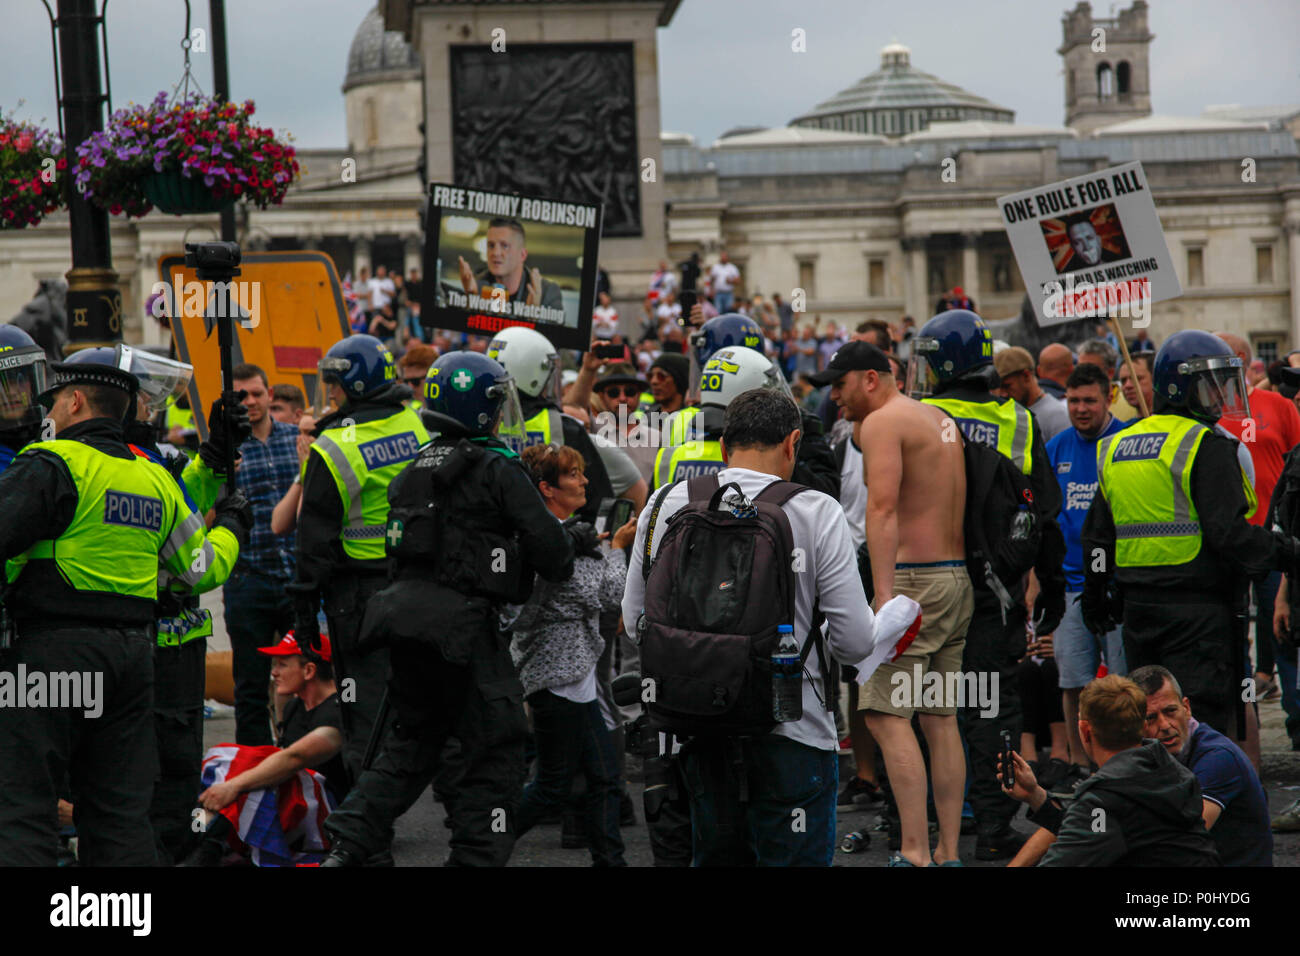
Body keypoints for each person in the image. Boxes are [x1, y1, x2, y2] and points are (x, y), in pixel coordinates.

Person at [622, 387, 920, 866]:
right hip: (793, 728)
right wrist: (894, 617)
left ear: (724, 447)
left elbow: (637, 623)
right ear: (792, 443)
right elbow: (852, 643)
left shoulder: (663, 504)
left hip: (698, 724)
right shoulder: (818, 510)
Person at [321, 351, 576, 866]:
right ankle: (474, 856)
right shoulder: (497, 468)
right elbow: (555, 557)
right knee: (495, 754)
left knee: (411, 744)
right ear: (481, 409)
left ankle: (346, 842)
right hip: (466, 633)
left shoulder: (414, 466)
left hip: (408, 629)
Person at [0, 356, 248, 865]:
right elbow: (198, 569)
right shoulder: (153, 479)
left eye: (55, 403)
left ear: (74, 401)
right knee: (119, 812)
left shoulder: (52, 462)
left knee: (25, 804)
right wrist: (233, 528)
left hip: (49, 656)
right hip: (133, 661)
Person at [1083, 330, 1300, 742]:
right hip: (1200, 613)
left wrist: (1095, 595)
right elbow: (1230, 535)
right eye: (1210, 385)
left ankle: (1160, 801)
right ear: (1181, 387)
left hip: (1139, 612)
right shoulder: (1207, 444)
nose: (1220, 396)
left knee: (1149, 722)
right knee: (1200, 723)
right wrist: (1288, 552)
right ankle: (1210, 804)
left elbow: (1097, 539)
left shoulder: (1116, 446)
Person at [908, 309, 1067, 861]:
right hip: (993, 592)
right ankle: (994, 825)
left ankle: (917, 826)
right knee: (992, 710)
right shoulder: (1020, 422)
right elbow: (1045, 515)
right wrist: (1050, 588)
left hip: (925, 588)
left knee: (921, 706)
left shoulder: (914, 416)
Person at [825, 340, 972, 866]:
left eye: (840, 386)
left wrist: (884, 598)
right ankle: (948, 852)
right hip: (954, 579)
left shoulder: (887, 422)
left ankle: (913, 853)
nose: (836, 399)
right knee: (940, 718)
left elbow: (882, 511)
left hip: (916, 584)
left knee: (886, 717)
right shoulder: (937, 417)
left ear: (870, 378)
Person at [293, 334, 431, 788]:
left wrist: (304, 617)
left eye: (334, 385)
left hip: (359, 598)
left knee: (365, 718)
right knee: (426, 703)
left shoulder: (334, 447)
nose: (329, 394)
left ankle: (367, 837)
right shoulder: (419, 424)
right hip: (421, 586)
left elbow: (313, 541)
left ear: (352, 385)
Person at [506, 443, 637, 866]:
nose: (584, 481)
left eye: (582, 472)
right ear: (547, 488)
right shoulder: (550, 539)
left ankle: (610, 860)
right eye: (574, 475)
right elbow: (605, 594)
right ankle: (482, 844)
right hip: (556, 677)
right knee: (552, 786)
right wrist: (616, 548)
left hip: (574, 673)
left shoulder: (558, 531)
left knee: (603, 777)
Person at [1001, 675, 1219, 866]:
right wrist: (1036, 796)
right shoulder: (1172, 770)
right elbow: (1096, 832)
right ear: (1140, 724)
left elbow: (1075, 846)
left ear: (1085, 730)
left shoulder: (1105, 797)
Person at [182, 632, 347, 867]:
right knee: (228, 767)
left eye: (282, 665)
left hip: (331, 816)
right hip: (300, 802)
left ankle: (207, 845)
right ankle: (200, 840)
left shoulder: (338, 712)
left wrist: (234, 785)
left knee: (251, 772)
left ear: (309, 670)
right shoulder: (294, 707)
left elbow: (294, 759)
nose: (274, 673)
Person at [1044, 362, 1130, 792]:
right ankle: (1082, 767)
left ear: (1108, 397)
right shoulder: (1056, 447)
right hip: (1069, 586)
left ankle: (1128, 762)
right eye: (1073, 400)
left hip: (1116, 586)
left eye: (1089, 400)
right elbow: (1044, 518)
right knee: (1074, 682)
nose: (1080, 408)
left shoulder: (1129, 441)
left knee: (1121, 683)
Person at [1215, 332, 1300, 712]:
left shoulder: (1277, 406)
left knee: (1279, 624)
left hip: (1270, 537)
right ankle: (1243, 708)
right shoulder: (1203, 410)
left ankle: (1288, 709)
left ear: (1237, 359)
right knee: (1230, 632)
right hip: (1224, 537)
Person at [224, 363, 300, 746]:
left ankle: (302, 761)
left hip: (297, 579)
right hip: (248, 581)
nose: (250, 401)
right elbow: (206, 517)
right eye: (241, 396)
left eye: (256, 393)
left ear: (270, 394)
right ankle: (252, 767)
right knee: (251, 687)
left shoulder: (296, 438)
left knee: (307, 678)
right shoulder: (224, 447)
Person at [1130, 665, 1272, 866]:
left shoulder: (1217, 758)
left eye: (1170, 711)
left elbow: (1185, 838)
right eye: (1150, 718)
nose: (1164, 725)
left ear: (1186, 708)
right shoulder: (1146, 753)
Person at [487, 326, 615, 524]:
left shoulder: (477, 424)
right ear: (530, 373)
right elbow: (598, 500)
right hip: (559, 541)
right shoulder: (564, 427)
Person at [458, 217, 563, 311]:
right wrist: (471, 302)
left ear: (522, 255)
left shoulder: (547, 292)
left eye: (504, 246)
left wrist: (535, 316)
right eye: (491, 245)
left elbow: (556, 332)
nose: (495, 253)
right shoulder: (478, 286)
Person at [994, 346, 1069, 440]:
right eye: (999, 387)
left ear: (1026, 376)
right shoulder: (1006, 414)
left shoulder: (1057, 416)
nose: (1002, 394)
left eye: (1007, 386)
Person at [1078, 338, 1138, 422]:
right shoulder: (1073, 405)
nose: (1083, 374)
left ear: (1110, 373)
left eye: (1091, 369)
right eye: (1080, 368)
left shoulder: (1131, 402)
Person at [708, 250, 740, 315]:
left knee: (728, 312)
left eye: (724, 257)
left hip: (728, 293)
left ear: (727, 258)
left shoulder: (732, 267)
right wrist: (711, 290)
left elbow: (738, 281)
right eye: (722, 257)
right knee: (718, 312)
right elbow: (711, 280)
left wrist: (731, 281)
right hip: (718, 293)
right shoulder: (715, 267)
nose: (723, 258)